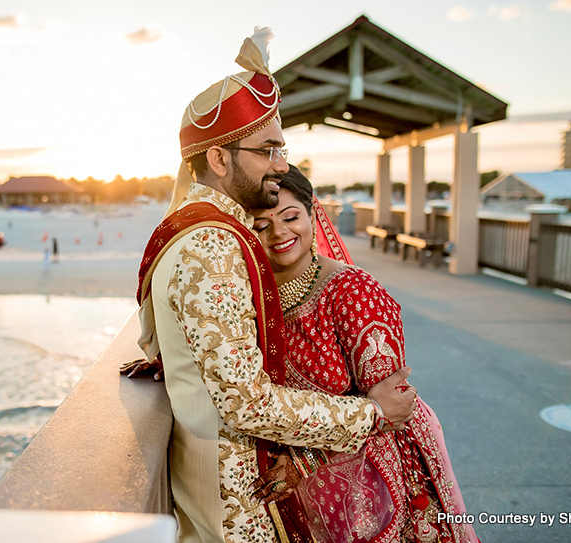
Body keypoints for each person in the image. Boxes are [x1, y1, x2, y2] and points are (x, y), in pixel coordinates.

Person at [129, 29, 416, 543]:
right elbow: (246, 402)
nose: (281, 164)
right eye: (267, 150)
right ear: (219, 159)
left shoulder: (198, 230)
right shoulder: (212, 247)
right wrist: (371, 413)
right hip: (238, 505)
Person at [248, 165, 480, 543]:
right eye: (261, 224)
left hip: (374, 483)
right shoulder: (252, 296)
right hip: (299, 491)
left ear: (313, 214)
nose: (279, 233)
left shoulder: (353, 292)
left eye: (291, 217)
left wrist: (305, 461)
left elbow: (393, 408)